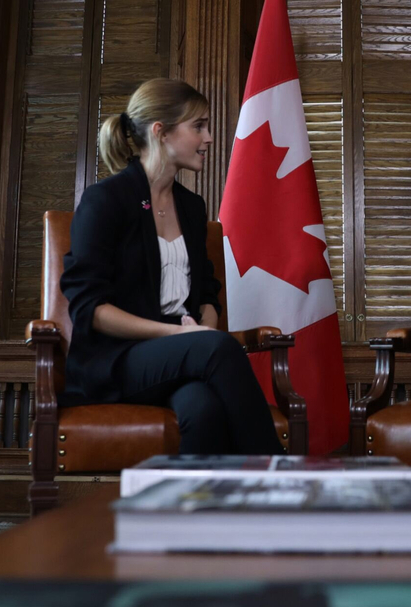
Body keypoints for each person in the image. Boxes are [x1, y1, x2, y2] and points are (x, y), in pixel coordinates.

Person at [59, 78, 283, 455]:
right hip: (116, 361)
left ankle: (197, 511)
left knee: (204, 409)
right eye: (198, 126)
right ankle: (282, 483)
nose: (209, 137)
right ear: (160, 132)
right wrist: (184, 339)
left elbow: (208, 293)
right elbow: (90, 310)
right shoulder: (104, 201)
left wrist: (201, 330)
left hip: (182, 355)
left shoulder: (192, 207)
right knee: (217, 350)